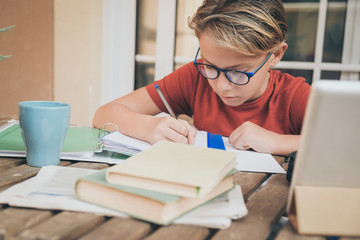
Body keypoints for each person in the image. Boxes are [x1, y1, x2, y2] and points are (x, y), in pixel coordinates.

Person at [93, 0, 311, 156]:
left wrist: (278, 142)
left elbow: (343, 147)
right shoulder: (194, 78)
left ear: (275, 55)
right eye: (210, 67)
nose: (222, 86)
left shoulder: (294, 96)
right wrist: (150, 127)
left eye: (238, 72)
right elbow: (104, 114)